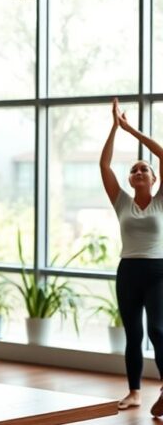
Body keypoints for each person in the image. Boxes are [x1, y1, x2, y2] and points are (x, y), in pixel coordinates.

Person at [100, 98, 163, 415]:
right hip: (128, 271)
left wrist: (130, 129)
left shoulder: (161, 201)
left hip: (158, 271)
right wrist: (113, 128)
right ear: (129, 179)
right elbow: (104, 166)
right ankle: (135, 393)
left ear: (154, 179)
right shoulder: (121, 202)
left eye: (145, 168)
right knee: (133, 334)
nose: (139, 171)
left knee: (158, 329)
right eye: (134, 169)